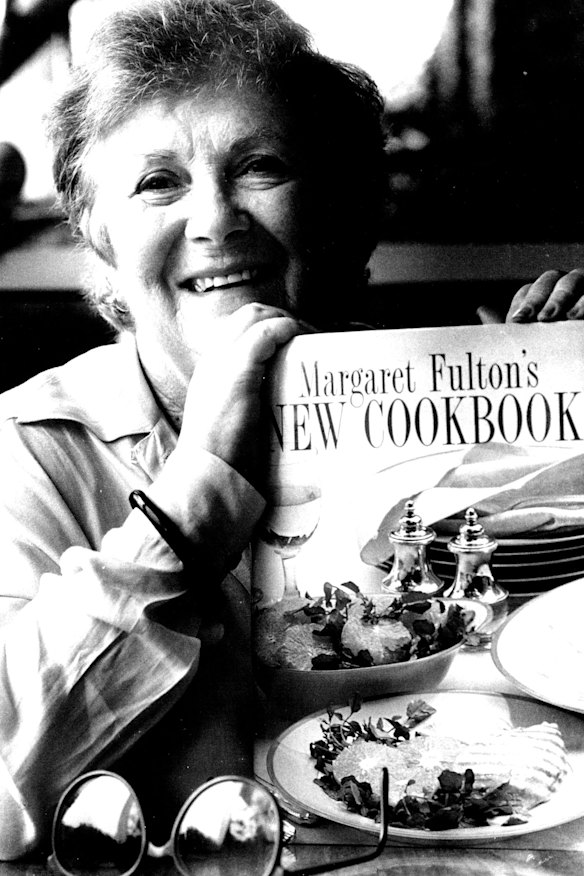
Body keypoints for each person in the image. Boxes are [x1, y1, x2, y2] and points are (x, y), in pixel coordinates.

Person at [0, 0, 581, 860]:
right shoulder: (30, 446)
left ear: (344, 218)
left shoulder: (433, 421)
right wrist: (193, 494)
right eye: (158, 181)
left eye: (261, 167)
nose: (216, 221)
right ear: (102, 244)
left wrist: (550, 423)